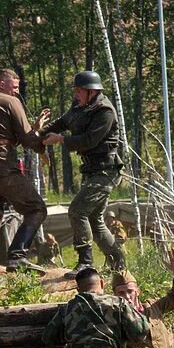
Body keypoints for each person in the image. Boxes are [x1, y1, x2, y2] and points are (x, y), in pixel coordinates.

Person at [0, 69, 52, 294]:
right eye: (14, 87)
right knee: (36, 209)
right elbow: (25, 140)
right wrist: (42, 144)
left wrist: (33, 129)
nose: (17, 91)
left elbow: (3, 134)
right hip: (0, 166)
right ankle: (16, 256)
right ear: (2, 85)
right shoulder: (10, 102)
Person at [41, 71, 126, 277]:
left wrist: (61, 140)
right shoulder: (80, 107)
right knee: (95, 219)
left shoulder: (105, 111)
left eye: (79, 90)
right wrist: (40, 132)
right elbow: (62, 122)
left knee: (77, 211)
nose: (76, 93)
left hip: (106, 171)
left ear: (91, 91)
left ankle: (86, 263)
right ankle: (119, 264)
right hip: (92, 170)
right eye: (76, 90)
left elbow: (89, 140)